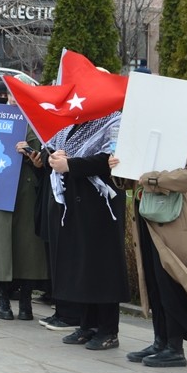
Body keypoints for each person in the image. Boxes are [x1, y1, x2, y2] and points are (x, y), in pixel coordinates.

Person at [44, 112, 128, 351]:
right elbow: (52, 147)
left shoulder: (115, 121)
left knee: (103, 266)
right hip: (76, 202)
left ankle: (108, 330)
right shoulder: (75, 120)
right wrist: (53, 157)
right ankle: (87, 324)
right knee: (83, 265)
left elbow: (111, 159)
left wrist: (70, 164)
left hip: (102, 205)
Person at [127, 139, 187, 367]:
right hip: (146, 219)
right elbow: (130, 178)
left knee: (171, 280)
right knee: (155, 281)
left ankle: (175, 347)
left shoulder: (181, 132)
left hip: (171, 221)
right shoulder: (141, 134)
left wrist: (151, 180)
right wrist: (118, 167)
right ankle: (160, 341)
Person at [0, 83, 47, 319]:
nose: (12, 102)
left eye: (17, 98)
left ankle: (26, 302)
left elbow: (45, 160)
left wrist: (31, 154)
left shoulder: (36, 124)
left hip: (26, 192)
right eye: (10, 98)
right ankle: (2, 301)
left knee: (27, 248)